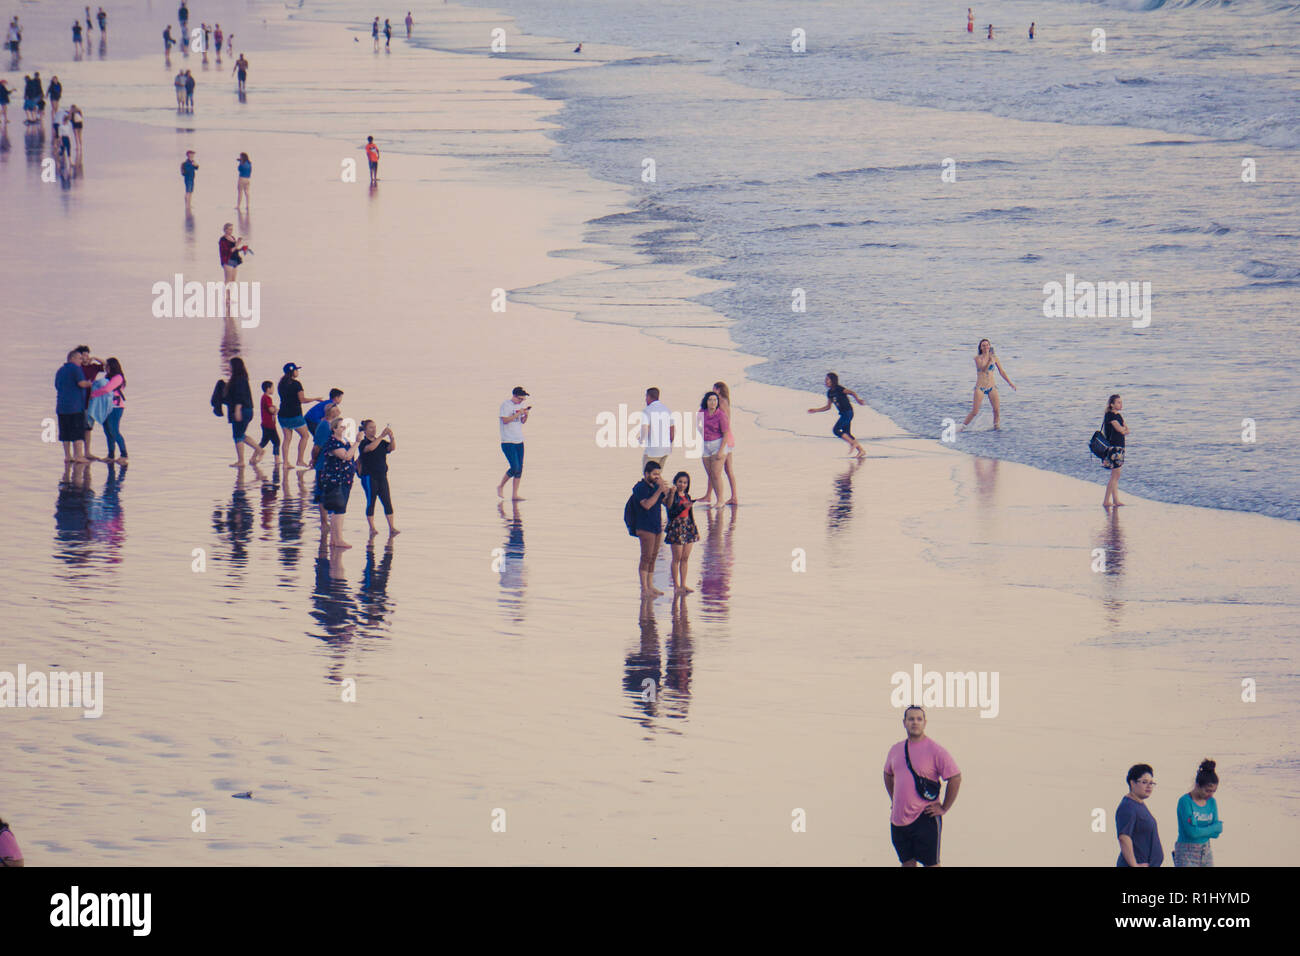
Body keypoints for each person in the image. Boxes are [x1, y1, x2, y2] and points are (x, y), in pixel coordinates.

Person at [882, 705, 962, 867]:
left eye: (919, 719)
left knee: (931, 864)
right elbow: (887, 774)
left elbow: (955, 777)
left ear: (925, 723)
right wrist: (894, 799)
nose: (915, 723)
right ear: (904, 723)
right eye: (911, 719)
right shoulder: (896, 750)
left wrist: (944, 807)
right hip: (898, 820)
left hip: (925, 818)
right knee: (907, 863)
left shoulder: (936, 751)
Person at [632, 460, 671, 595]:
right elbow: (647, 504)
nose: (657, 477)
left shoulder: (656, 487)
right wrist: (659, 490)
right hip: (644, 526)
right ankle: (644, 588)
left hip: (656, 526)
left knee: (654, 557)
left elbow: (667, 505)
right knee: (646, 557)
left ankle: (650, 585)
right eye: (654, 474)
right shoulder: (640, 487)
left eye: (658, 474)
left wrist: (668, 492)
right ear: (646, 473)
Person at [960, 338, 1016, 430]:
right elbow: (983, 369)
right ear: (980, 348)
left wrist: (1010, 383)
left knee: (996, 410)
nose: (986, 347)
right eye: (983, 345)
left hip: (991, 386)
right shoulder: (978, 358)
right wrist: (990, 361)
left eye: (987, 345)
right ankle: (962, 427)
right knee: (975, 411)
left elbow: (1002, 372)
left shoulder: (995, 358)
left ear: (990, 346)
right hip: (980, 387)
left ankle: (996, 428)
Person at [1174, 760, 1222, 867]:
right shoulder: (1185, 801)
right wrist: (1213, 827)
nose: (1211, 794)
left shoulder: (1212, 802)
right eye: (1208, 790)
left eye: (1214, 791)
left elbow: (1217, 832)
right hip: (1186, 851)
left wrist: (1201, 830)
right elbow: (1192, 833)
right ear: (1197, 785)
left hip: (1206, 850)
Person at [807, 372, 867, 458]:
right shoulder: (829, 393)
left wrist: (858, 400)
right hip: (843, 414)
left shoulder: (839, 389)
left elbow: (852, 392)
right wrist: (816, 410)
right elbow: (828, 407)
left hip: (848, 412)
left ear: (833, 380)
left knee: (836, 430)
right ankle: (861, 451)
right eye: (826, 380)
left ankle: (853, 443)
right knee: (847, 434)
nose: (826, 381)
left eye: (827, 379)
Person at [319, 418, 356, 548]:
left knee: (339, 509)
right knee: (339, 509)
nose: (343, 429)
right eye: (341, 427)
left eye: (344, 427)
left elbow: (350, 456)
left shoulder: (343, 442)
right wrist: (357, 442)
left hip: (345, 479)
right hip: (335, 480)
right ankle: (338, 539)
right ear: (334, 429)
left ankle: (334, 539)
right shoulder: (333, 442)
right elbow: (346, 456)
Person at [1116, 764, 1163, 867]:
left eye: (1151, 783)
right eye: (1144, 782)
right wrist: (1134, 865)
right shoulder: (1128, 806)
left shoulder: (1139, 804)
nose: (1149, 786)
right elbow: (1124, 837)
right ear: (1132, 783)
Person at [357, 420, 399, 536]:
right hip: (369, 476)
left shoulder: (381, 442)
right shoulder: (363, 443)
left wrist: (391, 437)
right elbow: (370, 448)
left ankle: (392, 527)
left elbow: (391, 448)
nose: (374, 430)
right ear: (365, 431)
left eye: (374, 427)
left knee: (387, 501)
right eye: (371, 428)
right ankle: (372, 528)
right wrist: (381, 436)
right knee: (371, 502)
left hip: (382, 476)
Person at [277, 363, 323, 467]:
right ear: (292, 371)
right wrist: (315, 399)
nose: (297, 371)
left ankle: (285, 463)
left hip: (282, 415)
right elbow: (302, 400)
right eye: (296, 370)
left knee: (287, 439)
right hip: (294, 415)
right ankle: (300, 460)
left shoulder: (281, 383)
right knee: (305, 436)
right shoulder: (296, 384)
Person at [664, 471, 699, 592]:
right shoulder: (672, 495)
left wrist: (694, 528)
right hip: (676, 526)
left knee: (685, 558)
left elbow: (690, 514)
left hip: (688, 525)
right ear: (675, 482)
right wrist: (682, 507)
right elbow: (670, 512)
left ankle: (683, 584)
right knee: (676, 558)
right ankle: (676, 586)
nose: (682, 484)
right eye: (680, 482)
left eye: (685, 482)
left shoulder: (687, 496)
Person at [55, 349, 92, 463]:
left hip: (61, 406)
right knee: (77, 433)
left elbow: (56, 386)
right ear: (73, 358)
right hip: (75, 406)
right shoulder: (76, 369)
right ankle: (79, 456)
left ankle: (68, 456)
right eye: (80, 358)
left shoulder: (60, 370)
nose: (82, 360)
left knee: (65, 433)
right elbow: (81, 383)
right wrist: (89, 383)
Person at [224, 356, 262, 466]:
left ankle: (241, 461)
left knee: (237, 435)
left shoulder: (239, 379)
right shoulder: (242, 378)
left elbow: (239, 396)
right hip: (247, 410)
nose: (229, 368)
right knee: (240, 434)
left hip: (242, 410)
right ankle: (259, 450)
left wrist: (237, 410)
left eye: (230, 366)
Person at [696, 391, 730, 507]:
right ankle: (712, 497)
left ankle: (720, 500)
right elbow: (699, 428)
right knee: (710, 474)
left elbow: (726, 434)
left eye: (715, 400)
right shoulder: (701, 413)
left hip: (718, 444)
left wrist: (721, 451)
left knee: (716, 474)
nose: (713, 402)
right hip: (705, 444)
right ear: (706, 401)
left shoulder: (721, 415)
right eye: (710, 400)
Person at [497, 387, 530, 499]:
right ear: (514, 396)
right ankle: (500, 486)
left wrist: (525, 415)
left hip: (519, 440)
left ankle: (514, 495)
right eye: (520, 399)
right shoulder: (505, 405)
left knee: (520, 468)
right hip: (508, 441)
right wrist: (517, 414)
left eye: (523, 400)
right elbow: (505, 420)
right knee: (514, 467)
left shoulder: (520, 406)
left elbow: (522, 422)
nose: (521, 401)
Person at [712, 380, 739, 504]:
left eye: (714, 389)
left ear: (719, 390)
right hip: (729, 437)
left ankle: (722, 498)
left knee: (716, 469)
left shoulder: (721, 402)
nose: (712, 391)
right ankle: (734, 497)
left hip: (725, 438)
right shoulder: (726, 402)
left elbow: (724, 422)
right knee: (728, 469)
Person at [1101, 393, 1128, 509]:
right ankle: (1107, 500)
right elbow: (1120, 429)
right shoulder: (1110, 416)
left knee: (1116, 475)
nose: (1120, 404)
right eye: (1118, 402)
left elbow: (1127, 429)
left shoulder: (1119, 416)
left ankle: (1115, 500)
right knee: (1115, 474)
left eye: (1121, 402)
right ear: (1112, 405)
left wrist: (1123, 430)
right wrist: (1123, 430)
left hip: (1120, 447)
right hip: (1113, 448)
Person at [77, 346, 104, 456]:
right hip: (79, 401)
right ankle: (79, 453)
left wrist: (95, 358)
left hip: (91, 401)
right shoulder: (77, 367)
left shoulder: (93, 367)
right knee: (79, 427)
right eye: (83, 355)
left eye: (87, 354)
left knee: (88, 428)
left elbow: (106, 365)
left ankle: (87, 452)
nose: (86, 357)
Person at [640, 387, 674, 471]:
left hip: (653, 451)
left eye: (646, 397)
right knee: (657, 475)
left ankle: (665, 485)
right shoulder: (667, 410)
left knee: (649, 475)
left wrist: (641, 439)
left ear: (648, 397)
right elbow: (672, 430)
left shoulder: (647, 411)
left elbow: (645, 428)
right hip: (665, 449)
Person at [258, 380, 280, 461]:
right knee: (276, 441)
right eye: (272, 388)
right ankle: (277, 459)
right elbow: (271, 410)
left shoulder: (263, 397)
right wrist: (276, 410)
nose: (273, 389)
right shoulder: (267, 398)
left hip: (265, 424)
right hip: (269, 424)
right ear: (268, 389)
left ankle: (253, 458)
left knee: (264, 441)